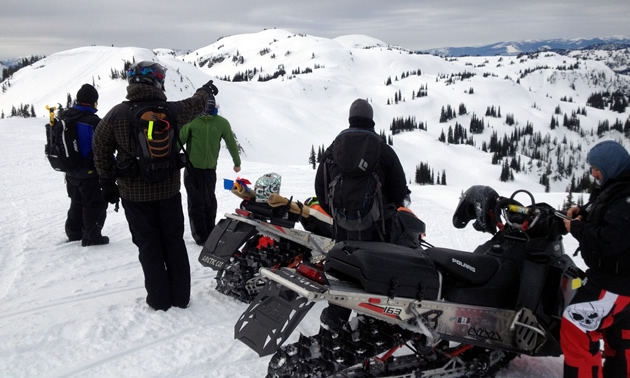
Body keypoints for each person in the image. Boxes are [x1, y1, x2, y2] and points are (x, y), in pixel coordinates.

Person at [92, 61, 217, 311]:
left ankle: (159, 300)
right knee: (173, 241)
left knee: (148, 245)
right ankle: (181, 298)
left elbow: (100, 147)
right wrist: (206, 90)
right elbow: (196, 104)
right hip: (168, 192)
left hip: (133, 195)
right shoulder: (171, 110)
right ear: (157, 82)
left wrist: (107, 182)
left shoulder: (117, 114)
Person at [314, 98, 410, 328]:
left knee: (343, 273)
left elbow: (320, 189)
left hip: (342, 230)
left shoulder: (332, 150)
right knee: (374, 276)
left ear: (350, 119)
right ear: (371, 120)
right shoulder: (383, 150)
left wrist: (338, 215)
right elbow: (399, 192)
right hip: (377, 231)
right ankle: (368, 324)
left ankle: (335, 320)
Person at [560, 140, 630, 377]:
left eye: (597, 167)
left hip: (615, 282)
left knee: (576, 322)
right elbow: (610, 217)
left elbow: (610, 239)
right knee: (621, 335)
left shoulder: (626, 196)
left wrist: (576, 229)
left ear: (611, 166)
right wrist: (583, 213)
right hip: (617, 280)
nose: (593, 173)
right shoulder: (619, 186)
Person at [179, 95, 241, 246]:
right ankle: (200, 235)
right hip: (192, 169)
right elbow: (179, 141)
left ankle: (211, 231)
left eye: (210, 108)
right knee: (196, 202)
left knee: (209, 201)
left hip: (210, 169)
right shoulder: (192, 121)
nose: (207, 111)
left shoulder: (221, 123)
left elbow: (231, 143)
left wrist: (237, 162)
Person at [62, 84, 109, 246]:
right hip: (89, 171)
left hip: (70, 170)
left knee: (76, 201)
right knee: (94, 203)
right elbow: (104, 148)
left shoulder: (66, 117)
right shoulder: (94, 122)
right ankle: (92, 236)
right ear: (93, 102)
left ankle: (74, 232)